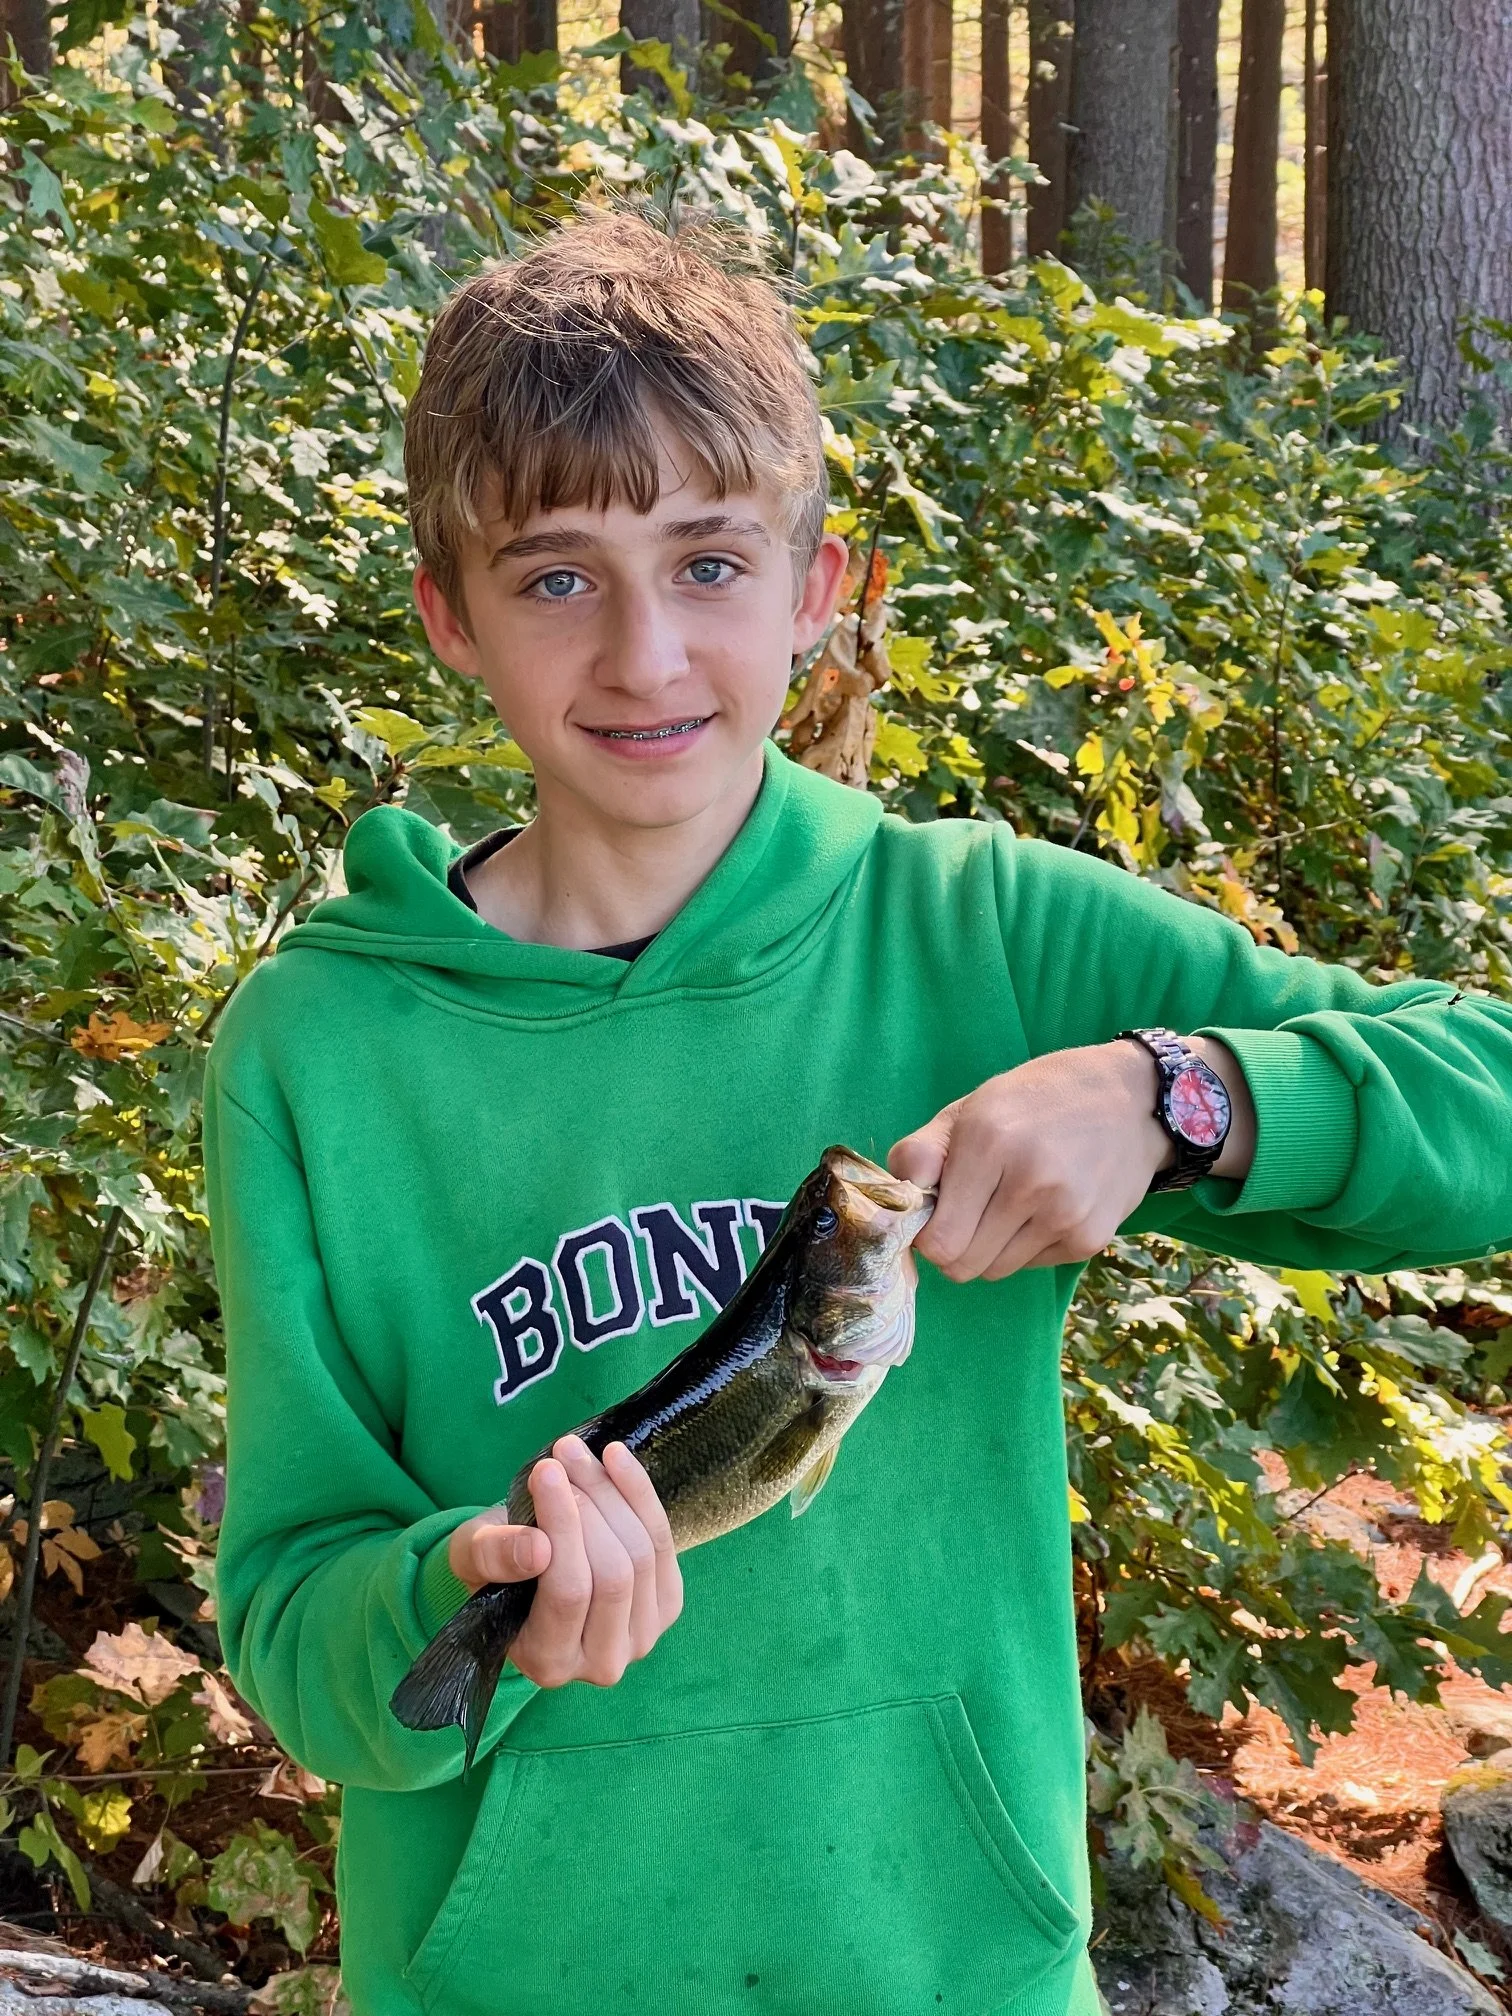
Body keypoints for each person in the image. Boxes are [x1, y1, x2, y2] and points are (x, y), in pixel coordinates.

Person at [203, 205, 1512, 2016]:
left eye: (713, 563)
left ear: (823, 591)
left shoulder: (983, 937)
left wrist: (1174, 1091)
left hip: (950, 1974)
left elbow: (1489, 1092)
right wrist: (467, 1596)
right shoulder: (319, 1051)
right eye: (558, 576)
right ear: (451, 617)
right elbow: (290, 1622)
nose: (648, 655)